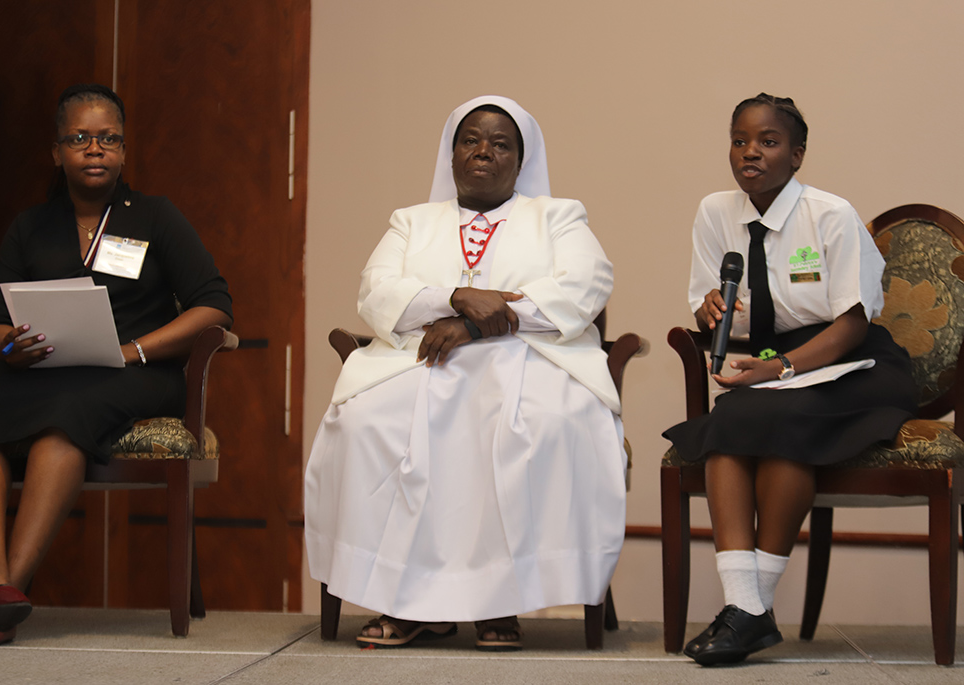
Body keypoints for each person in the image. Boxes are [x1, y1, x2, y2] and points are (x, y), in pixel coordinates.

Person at [305, 95, 625, 650]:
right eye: (470, 140)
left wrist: (478, 326)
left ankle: (498, 603)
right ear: (451, 154)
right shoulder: (411, 221)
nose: (483, 152)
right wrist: (455, 296)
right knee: (366, 425)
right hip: (418, 363)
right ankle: (408, 603)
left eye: (501, 144)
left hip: (531, 362)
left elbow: (584, 287)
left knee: (541, 424)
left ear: (521, 161)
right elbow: (376, 290)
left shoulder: (559, 216)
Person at [0, 84, 232, 647]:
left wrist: (136, 349)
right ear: (56, 151)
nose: (95, 149)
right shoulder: (29, 226)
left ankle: (5, 592)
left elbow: (214, 305)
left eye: (108, 138)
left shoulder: (156, 217)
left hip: (136, 373)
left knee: (68, 411)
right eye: (80, 138)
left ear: (124, 151)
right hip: (46, 369)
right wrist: (7, 345)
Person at [663, 93, 916, 666]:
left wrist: (779, 368)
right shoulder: (714, 212)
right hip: (775, 364)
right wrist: (709, 311)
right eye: (740, 141)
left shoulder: (830, 214)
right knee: (734, 420)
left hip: (855, 364)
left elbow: (853, 323)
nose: (751, 152)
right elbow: (710, 300)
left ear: (797, 155)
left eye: (768, 142)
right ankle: (747, 608)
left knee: (774, 416)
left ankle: (749, 612)